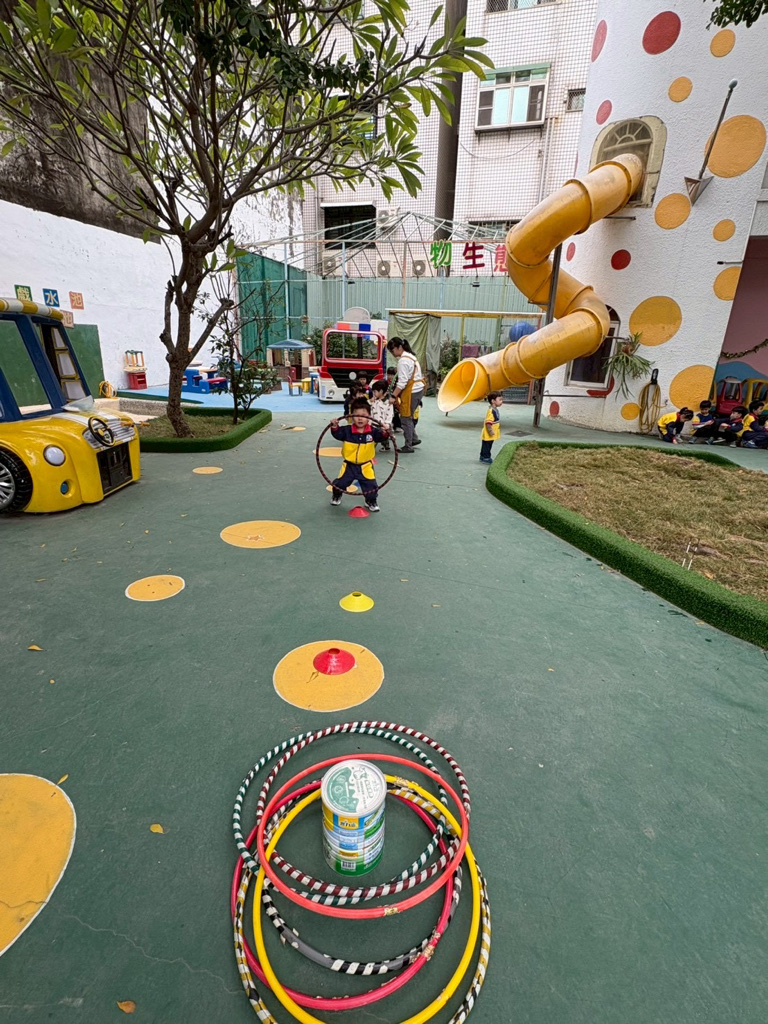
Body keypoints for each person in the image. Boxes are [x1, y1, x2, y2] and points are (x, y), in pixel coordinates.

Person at [329, 398, 389, 512]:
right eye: (357, 415)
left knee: (371, 486)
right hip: (349, 465)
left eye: (364, 415)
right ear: (351, 416)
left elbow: (382, 437)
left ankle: (371, 500)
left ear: (369, 416)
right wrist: (334, 426)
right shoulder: (347, 431)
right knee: (340, 483)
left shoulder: (373, 432)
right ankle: (336, 495)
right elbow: (337, 434)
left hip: (366, 465)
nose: (360, 418)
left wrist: (385, 431)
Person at [387, 337, 425, 453]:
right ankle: (414, 438)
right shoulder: (411, 356)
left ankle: (408, 445)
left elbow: (402, 382)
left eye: (392, 350)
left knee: (405, 417)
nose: (392, 353)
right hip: (418, 389)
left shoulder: (403, 361)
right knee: (408, 416)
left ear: (399, 347)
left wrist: (393, 396)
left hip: (412, 391)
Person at [479, 392, 504, 464]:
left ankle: (482, 456)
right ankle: (486, 457)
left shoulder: (494, 409)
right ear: (493, 401)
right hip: (489, 433)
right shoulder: (491, 411)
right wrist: (490, 431)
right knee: (487, 445)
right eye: (500, 400)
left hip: (491, 432)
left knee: (486, 444)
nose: (501, 401)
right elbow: (488, 422)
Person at [370, 380, 394, 451]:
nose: (374, 393)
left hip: (384, 424)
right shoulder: (374, 401)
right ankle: (372, 445)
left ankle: (385, 445)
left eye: (375, 391)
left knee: (383, 434)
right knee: (373, 435)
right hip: (374, 423)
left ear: (380, 391)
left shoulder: (388, 403)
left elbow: (390, 415)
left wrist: (387, 424)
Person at [386, 366, 402, 432]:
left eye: (392, 375)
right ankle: (390, 425)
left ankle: (397, 426)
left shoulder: (397, 383)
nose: (390, 376)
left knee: (396, 414)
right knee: (389, 414)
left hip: (395, 401)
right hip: (388, 400)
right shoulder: (386, 382)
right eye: (388, 375)